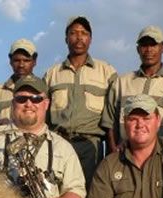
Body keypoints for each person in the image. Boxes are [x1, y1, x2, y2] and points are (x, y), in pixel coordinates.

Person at [0, 74, 86, 198]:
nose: (28, 104)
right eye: (22, 99)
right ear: (13, 103)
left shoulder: (63, 147)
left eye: (36, 99)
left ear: (46, 104)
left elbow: (78, 192)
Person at [43, 16, 117, 188]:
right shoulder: (52, 74)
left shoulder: (106, 72)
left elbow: (114, 114)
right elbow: (42, 114)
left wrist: (113, 149)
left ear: (90, 39)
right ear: (66, 39)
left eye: (84, 33)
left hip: (91, 146)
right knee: (56, 193)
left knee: (90, 195)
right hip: (58, 144)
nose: (79, 37)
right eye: (73, 33)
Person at [101, 25, 163, 149]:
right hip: (126, 155)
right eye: (144, 45)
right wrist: (114, 153)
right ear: (138, 49)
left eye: (153, 45)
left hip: (162, 155)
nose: (148, 50)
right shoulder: (121, 83)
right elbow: (109, 124)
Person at [0, 38, 38, 123]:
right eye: (17, 60)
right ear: (10, 61)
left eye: (26, 60)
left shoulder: (42, 90)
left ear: (34, 61)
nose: (21, 65)